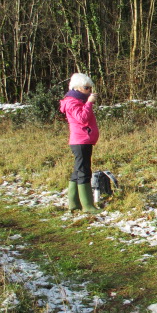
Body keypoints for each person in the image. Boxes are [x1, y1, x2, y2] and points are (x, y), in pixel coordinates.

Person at [60, 73, 101, 213]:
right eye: (86, 87)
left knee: (78, 170)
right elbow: (82, 118)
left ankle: (74, 203)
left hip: (84, 140)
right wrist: (89, 103)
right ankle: (88, 205)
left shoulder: (78, 101)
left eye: (90, 88)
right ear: (76, 88)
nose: (90, 90)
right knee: (84, 171)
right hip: (80, 140)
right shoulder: (72, 101)